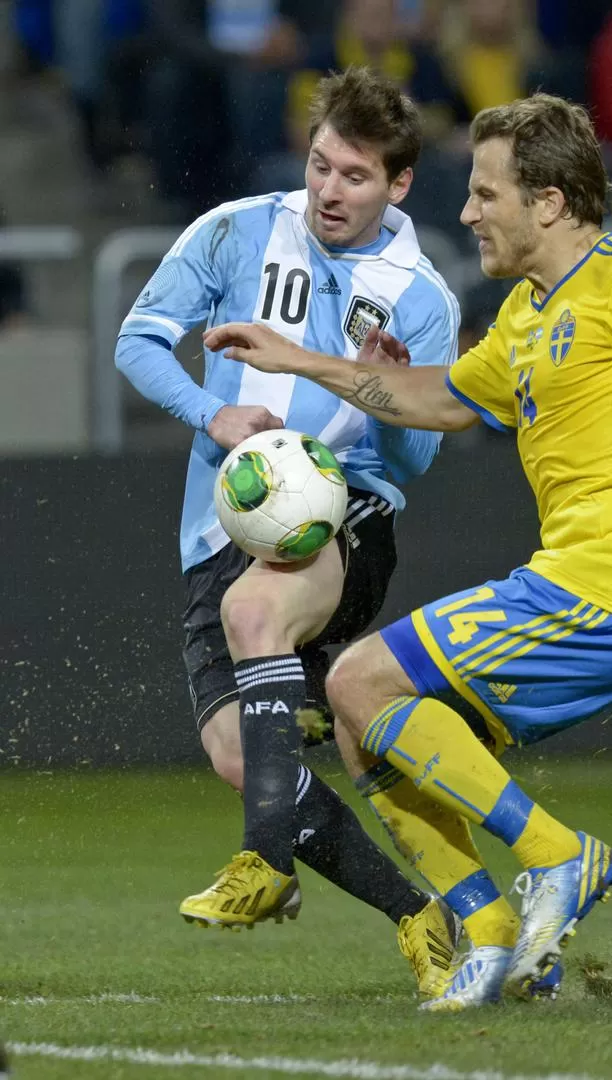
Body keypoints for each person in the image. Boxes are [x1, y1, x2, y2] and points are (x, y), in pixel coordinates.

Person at [202, 92, 612, 1011]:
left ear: (552, 202)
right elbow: (438, 396)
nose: (466, 211)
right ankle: (486, 932)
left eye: (487, 193)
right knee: (375, 731)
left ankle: (557, 857)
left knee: (356, 682)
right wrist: (303, 360)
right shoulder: (530, 314)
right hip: (588, 590)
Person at [115, 66, 466, 1000]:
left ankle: (264, 860)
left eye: (354, 175)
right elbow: (138, 339)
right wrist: (210, 414)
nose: (328, 190)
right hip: (219, 526)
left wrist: (385, 395)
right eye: (320, 166)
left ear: (398, 184)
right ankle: (429, 919)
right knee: (243, 758)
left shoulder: (421, 296)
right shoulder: (233, 230)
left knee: (255, 607)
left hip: (347, 514)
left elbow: (415, 465)